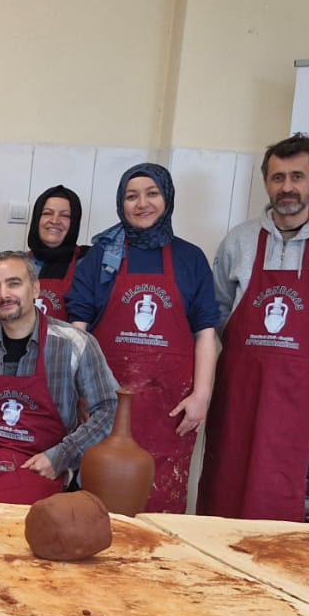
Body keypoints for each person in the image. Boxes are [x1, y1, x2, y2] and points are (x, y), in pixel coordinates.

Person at [199, 134, 309, 521]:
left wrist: (308, 367)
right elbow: (218, 308)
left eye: (297, 176)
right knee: (225, 479)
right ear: (266, 183)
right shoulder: (239, 240)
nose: (287, 187)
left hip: (296, 393)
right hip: (238, 389)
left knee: (278, 484)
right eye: (278, 178)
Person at [65, 163, 218, 514]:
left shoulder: (190, 259)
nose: (141, 203)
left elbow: (205, 332)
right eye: (131, 196)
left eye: (152, 194)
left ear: (167, 198)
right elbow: (78, 329)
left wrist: (202, 395)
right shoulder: (102, 257)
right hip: (105, 403)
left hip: (170, 410)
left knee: (161, 501)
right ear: (121, 203)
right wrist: (77, 392)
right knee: (100, 503)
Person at [0, 252, 119, 503]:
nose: (4, 294)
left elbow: (110, 409)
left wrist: (62, 456)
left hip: (41, 465)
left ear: (35, 289)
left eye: (14, 283)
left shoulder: (75, 344)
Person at [27, 184, 85, 319]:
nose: (54, 221)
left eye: (65, 216)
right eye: (47, 213)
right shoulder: (19, 262)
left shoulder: (86, 263)